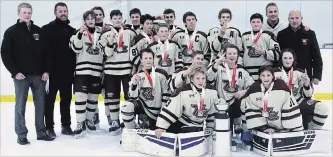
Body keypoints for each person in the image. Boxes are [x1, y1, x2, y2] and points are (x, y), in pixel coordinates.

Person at [1, 2, 55, 145]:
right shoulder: (11, 32)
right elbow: (5, 54)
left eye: (29, 12)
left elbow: (47, 53)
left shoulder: (39, 31)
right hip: (21, 76)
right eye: (24, 12)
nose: (27, 15)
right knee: (20, 105)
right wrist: (15, 72)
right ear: (18, 13)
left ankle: (41, 132)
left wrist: (46, 71)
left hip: (39, 75)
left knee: (41, 105)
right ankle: (21, 135)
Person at [98, 9, 137, 135]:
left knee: (129, 97)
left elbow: (134, 51)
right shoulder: (105, 34)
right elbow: (106, 53)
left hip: (126, 70)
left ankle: (128, 121)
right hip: (111, 71)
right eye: (115, 18)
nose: (117, 20)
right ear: (111, 20)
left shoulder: (130, 33)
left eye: (119, 17)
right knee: (113, 98)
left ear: (122, 19)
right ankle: (115, 121)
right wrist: (110, 43)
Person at [42, 2, 76, 138]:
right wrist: (45, 70)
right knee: (49, 101)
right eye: (60, 11)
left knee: (66, 99)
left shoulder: (72, 31)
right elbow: (43, 52)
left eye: (65, 11)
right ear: (55, 13)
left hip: (67, 73)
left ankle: (66, 126)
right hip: (52, 73)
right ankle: (49, 127)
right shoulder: (47, 29)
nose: (63, 13)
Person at [155, 66, 219, 137]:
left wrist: (210, 127)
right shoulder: (182, 92)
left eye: (203, 78)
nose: (201, 81)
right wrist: (161, 127)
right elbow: (171, 108)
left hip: (199, 126)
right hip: (183, 125)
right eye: (197, 78)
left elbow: (212, 112)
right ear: (192, 79)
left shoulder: (212, 92)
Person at [274, 49, 328, 130]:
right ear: (281, 58)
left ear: (294, 59)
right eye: (285, 58)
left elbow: (308, 95)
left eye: (290, 58)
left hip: (297, 102)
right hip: (280, 105)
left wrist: (306, 83)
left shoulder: (300, 72)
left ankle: (310, 129)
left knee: (322, 108)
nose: (287, 61)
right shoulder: (273, 72)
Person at [69, 10, 104, 138]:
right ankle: (79, 122)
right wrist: (79, 34)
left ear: (96, 20)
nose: (90, 20)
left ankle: (89, 119)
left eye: (92, 18)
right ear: (84, 20)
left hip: (97, 70)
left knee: (93, 98)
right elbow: (76, 48)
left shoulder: (102, 32)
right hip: (82, 70)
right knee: (80, 97)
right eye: (88, 18)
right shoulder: (78, 32)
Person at [207, 44, 254, 135]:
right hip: (220, 104)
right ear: (224, 55)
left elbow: (252, 86)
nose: (232, 55)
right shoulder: (218, 68)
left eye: (234, 53)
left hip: (236, 104)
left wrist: (243, 91)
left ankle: (239, 125)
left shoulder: (242, 71)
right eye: (229, 53)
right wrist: (217, 62)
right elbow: (208, 79)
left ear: (237, 56)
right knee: (224, 132)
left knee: (245, 101)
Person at [241, 65, 303, 133]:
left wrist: (289, 126)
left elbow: (289, 103)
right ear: (259, 77)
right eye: (263, 75)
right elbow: (251, 106)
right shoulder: (254, 88)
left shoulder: (281, 85)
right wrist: (263, 128)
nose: (266, 78)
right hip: (264, 127)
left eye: (268, 75)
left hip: (283, 127)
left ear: (273, 76)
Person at [121, 48, 170, 130]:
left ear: (153, 59)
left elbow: (166, 95)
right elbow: (133, 97)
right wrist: (134, 84)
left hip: (159, 112)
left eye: (150, 58)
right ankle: (131, 132)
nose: (148, 61)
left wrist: (162, 116)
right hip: (145, 110)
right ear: (141, 60)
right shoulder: (138, 75)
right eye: (145, 58)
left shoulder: (162, 74)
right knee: (126, 106)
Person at [277, 10, 323, 86]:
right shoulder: (282, 34)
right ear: (288, 19)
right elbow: (279, 56)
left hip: (305, 74)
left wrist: (317, 75)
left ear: (301, 18)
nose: (294, 21)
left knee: (306, 95)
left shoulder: (310, 34)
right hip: (286, 75)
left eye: (297, 18)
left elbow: (316, 56)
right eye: (292, 18)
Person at [241, 13, 280, 81]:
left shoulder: (268, 35)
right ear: (250, 23)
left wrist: (264, 52)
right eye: (253, 22)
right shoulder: (244, 36)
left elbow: (278, 54)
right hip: (248, 73)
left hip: (265, 73)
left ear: (262, 23)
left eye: (258, 22)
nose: (256, 24)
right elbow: (240, 53)